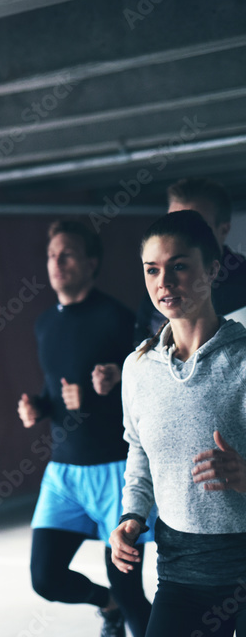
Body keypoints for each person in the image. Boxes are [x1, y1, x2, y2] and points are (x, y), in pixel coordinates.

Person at [110, 209, 246, 637]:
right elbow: (138, 449)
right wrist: (132, 515)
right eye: (152, 269)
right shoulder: (138, 367)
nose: (163, 282)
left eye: (179, 266)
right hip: (179, 571)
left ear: (212, 269)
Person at [17, 220, 151, 637]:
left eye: (68, 253)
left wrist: (115, 381)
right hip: (64, 473)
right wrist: (38, 406)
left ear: (92, 263)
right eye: (52, 254)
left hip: (115, 470)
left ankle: (121, 606)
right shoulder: (45, 324)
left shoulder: (117, 318)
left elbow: (149, 387)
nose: (56, 262)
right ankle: (105, 607)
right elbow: (54, 386)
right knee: (45, 578)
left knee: (129, 591)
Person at [134, 178, 246, 340]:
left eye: (195, 226)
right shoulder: (159, 289)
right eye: (172, 224)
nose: (178, 235)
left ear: (223, 229)